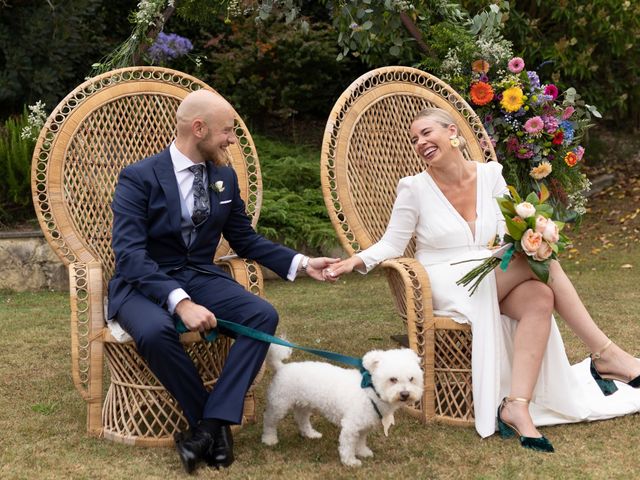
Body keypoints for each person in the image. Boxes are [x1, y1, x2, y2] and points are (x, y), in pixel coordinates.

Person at [326, 107, 640, 452]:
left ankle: (516, 405)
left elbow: (509, 229)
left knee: (539, 297)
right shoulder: (413, 188)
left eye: (427, 133)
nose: (420, 142)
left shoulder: (491, 175)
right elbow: (391, 244)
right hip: (444, 277)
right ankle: (605, 354)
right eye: (414, 139)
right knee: (546, 264)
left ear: (452, 133)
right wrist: (353, 261)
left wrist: (532, 232)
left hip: (489, 268)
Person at [108, 89, 339, 472]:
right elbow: (130, 255)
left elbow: (245, 239)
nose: (232, 139)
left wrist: (302, 262)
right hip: (141, 282)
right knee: (153, 331)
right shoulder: (139, 177)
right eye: (227, 131)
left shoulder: (224, 178)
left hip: (199, 274)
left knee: (261, 315)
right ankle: (210, 424)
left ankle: (208, 427)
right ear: (198, 129)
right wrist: (180, 302)